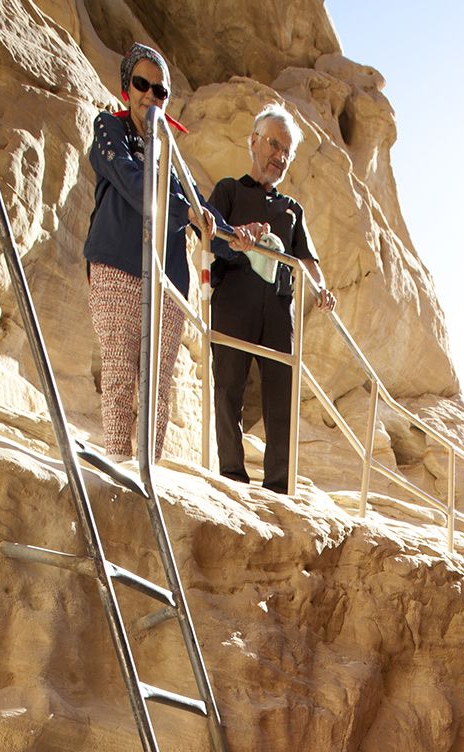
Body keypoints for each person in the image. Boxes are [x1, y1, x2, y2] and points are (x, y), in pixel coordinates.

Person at [83, 44, 260, 460]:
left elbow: (201, 210)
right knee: (121, 372)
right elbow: (134, 184)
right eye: (142, 85)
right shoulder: (110, 129)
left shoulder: (170, 155)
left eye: (160, 91)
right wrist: (193, 214)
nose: (151, 96)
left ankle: (149, 470)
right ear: (126, 88)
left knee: (158, 384)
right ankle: (117, 464)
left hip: (167, 277)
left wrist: (238, 236)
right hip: (117, 265)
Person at [206, 107, 336, 493]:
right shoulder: (229, 190)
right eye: (274, 144)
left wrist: (322, 289)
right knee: (228, 386)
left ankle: (279, 485)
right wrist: (236, 235)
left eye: (287, 152)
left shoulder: (292, 209)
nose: (279, 156)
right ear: (254, 141)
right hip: (234, 298)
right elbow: (209, 234)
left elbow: (309, 261)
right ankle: (231, 473)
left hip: (280, 307)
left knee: (282, 392)